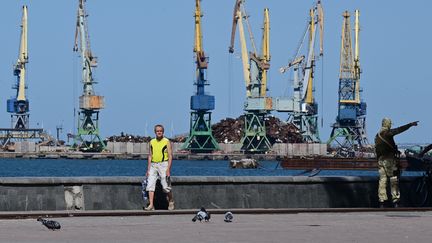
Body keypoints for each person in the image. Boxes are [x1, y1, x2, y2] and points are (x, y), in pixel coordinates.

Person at [375, 118, 418, 208]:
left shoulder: (377, 135)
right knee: (393, 180)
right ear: (388, 124)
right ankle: (395, 201)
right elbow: (399, 129)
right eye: (390, 124)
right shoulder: (387, 133)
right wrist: (410, 124)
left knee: (382, 181)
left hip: (380, 160)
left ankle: (382, 201)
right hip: (389, 160)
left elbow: (377, 150)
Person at [144, 124, 175, 210]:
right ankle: (151, 205)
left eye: (160, 131)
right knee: (150, 185)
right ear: (155, 132)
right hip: (153, 165)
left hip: (163, 164)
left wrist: (168, 169)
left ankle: (171, 201)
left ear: (163, 132)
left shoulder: (166, 141)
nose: (159, 132)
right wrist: (148, 169)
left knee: (165, 186)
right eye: (157, 131)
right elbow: (150, 155)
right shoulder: (152, 142)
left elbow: (170, 155)